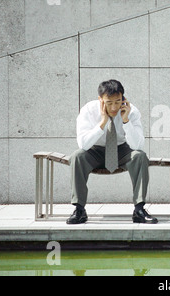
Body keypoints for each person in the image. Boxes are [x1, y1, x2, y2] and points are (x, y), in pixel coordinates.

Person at [66, 79, 158, 224]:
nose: (114, 107)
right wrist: (102, 123)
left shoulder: (132, 111)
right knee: (77, 156)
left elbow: (138, 145)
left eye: (118, 101)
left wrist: (126, 121)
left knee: (140, 156)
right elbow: (83, 144)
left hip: (122, 150)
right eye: (109, 103)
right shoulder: (88, 110)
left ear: (123, 99)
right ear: (100, 100)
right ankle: (79, 209)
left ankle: (139, 209)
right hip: (94, 150)